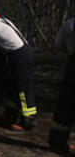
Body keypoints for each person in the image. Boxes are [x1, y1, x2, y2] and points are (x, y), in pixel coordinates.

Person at [48, 17, 75, 154]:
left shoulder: (69, 24)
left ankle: (56, 141)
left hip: (72, 66)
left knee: (65, 105)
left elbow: (58, 45)